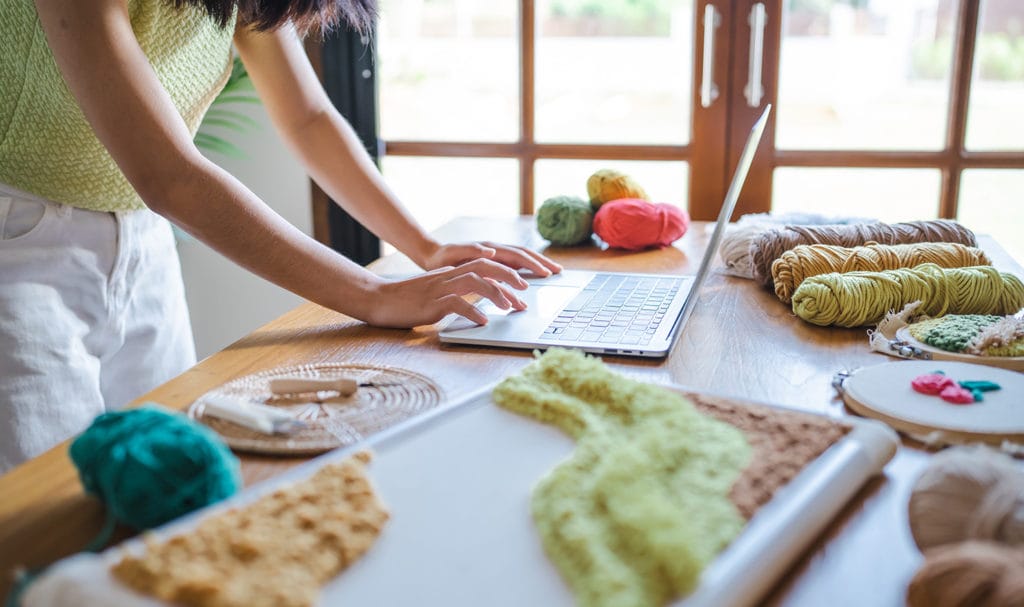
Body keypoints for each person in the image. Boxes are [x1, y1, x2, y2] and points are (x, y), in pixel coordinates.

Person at [0, 0, 561, 473]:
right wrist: (373, 293)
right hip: (17, 247)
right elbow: (170, 178)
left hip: (143, 242)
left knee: (162, 469)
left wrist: (425, 247)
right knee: (35, 504)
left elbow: (309, 117)